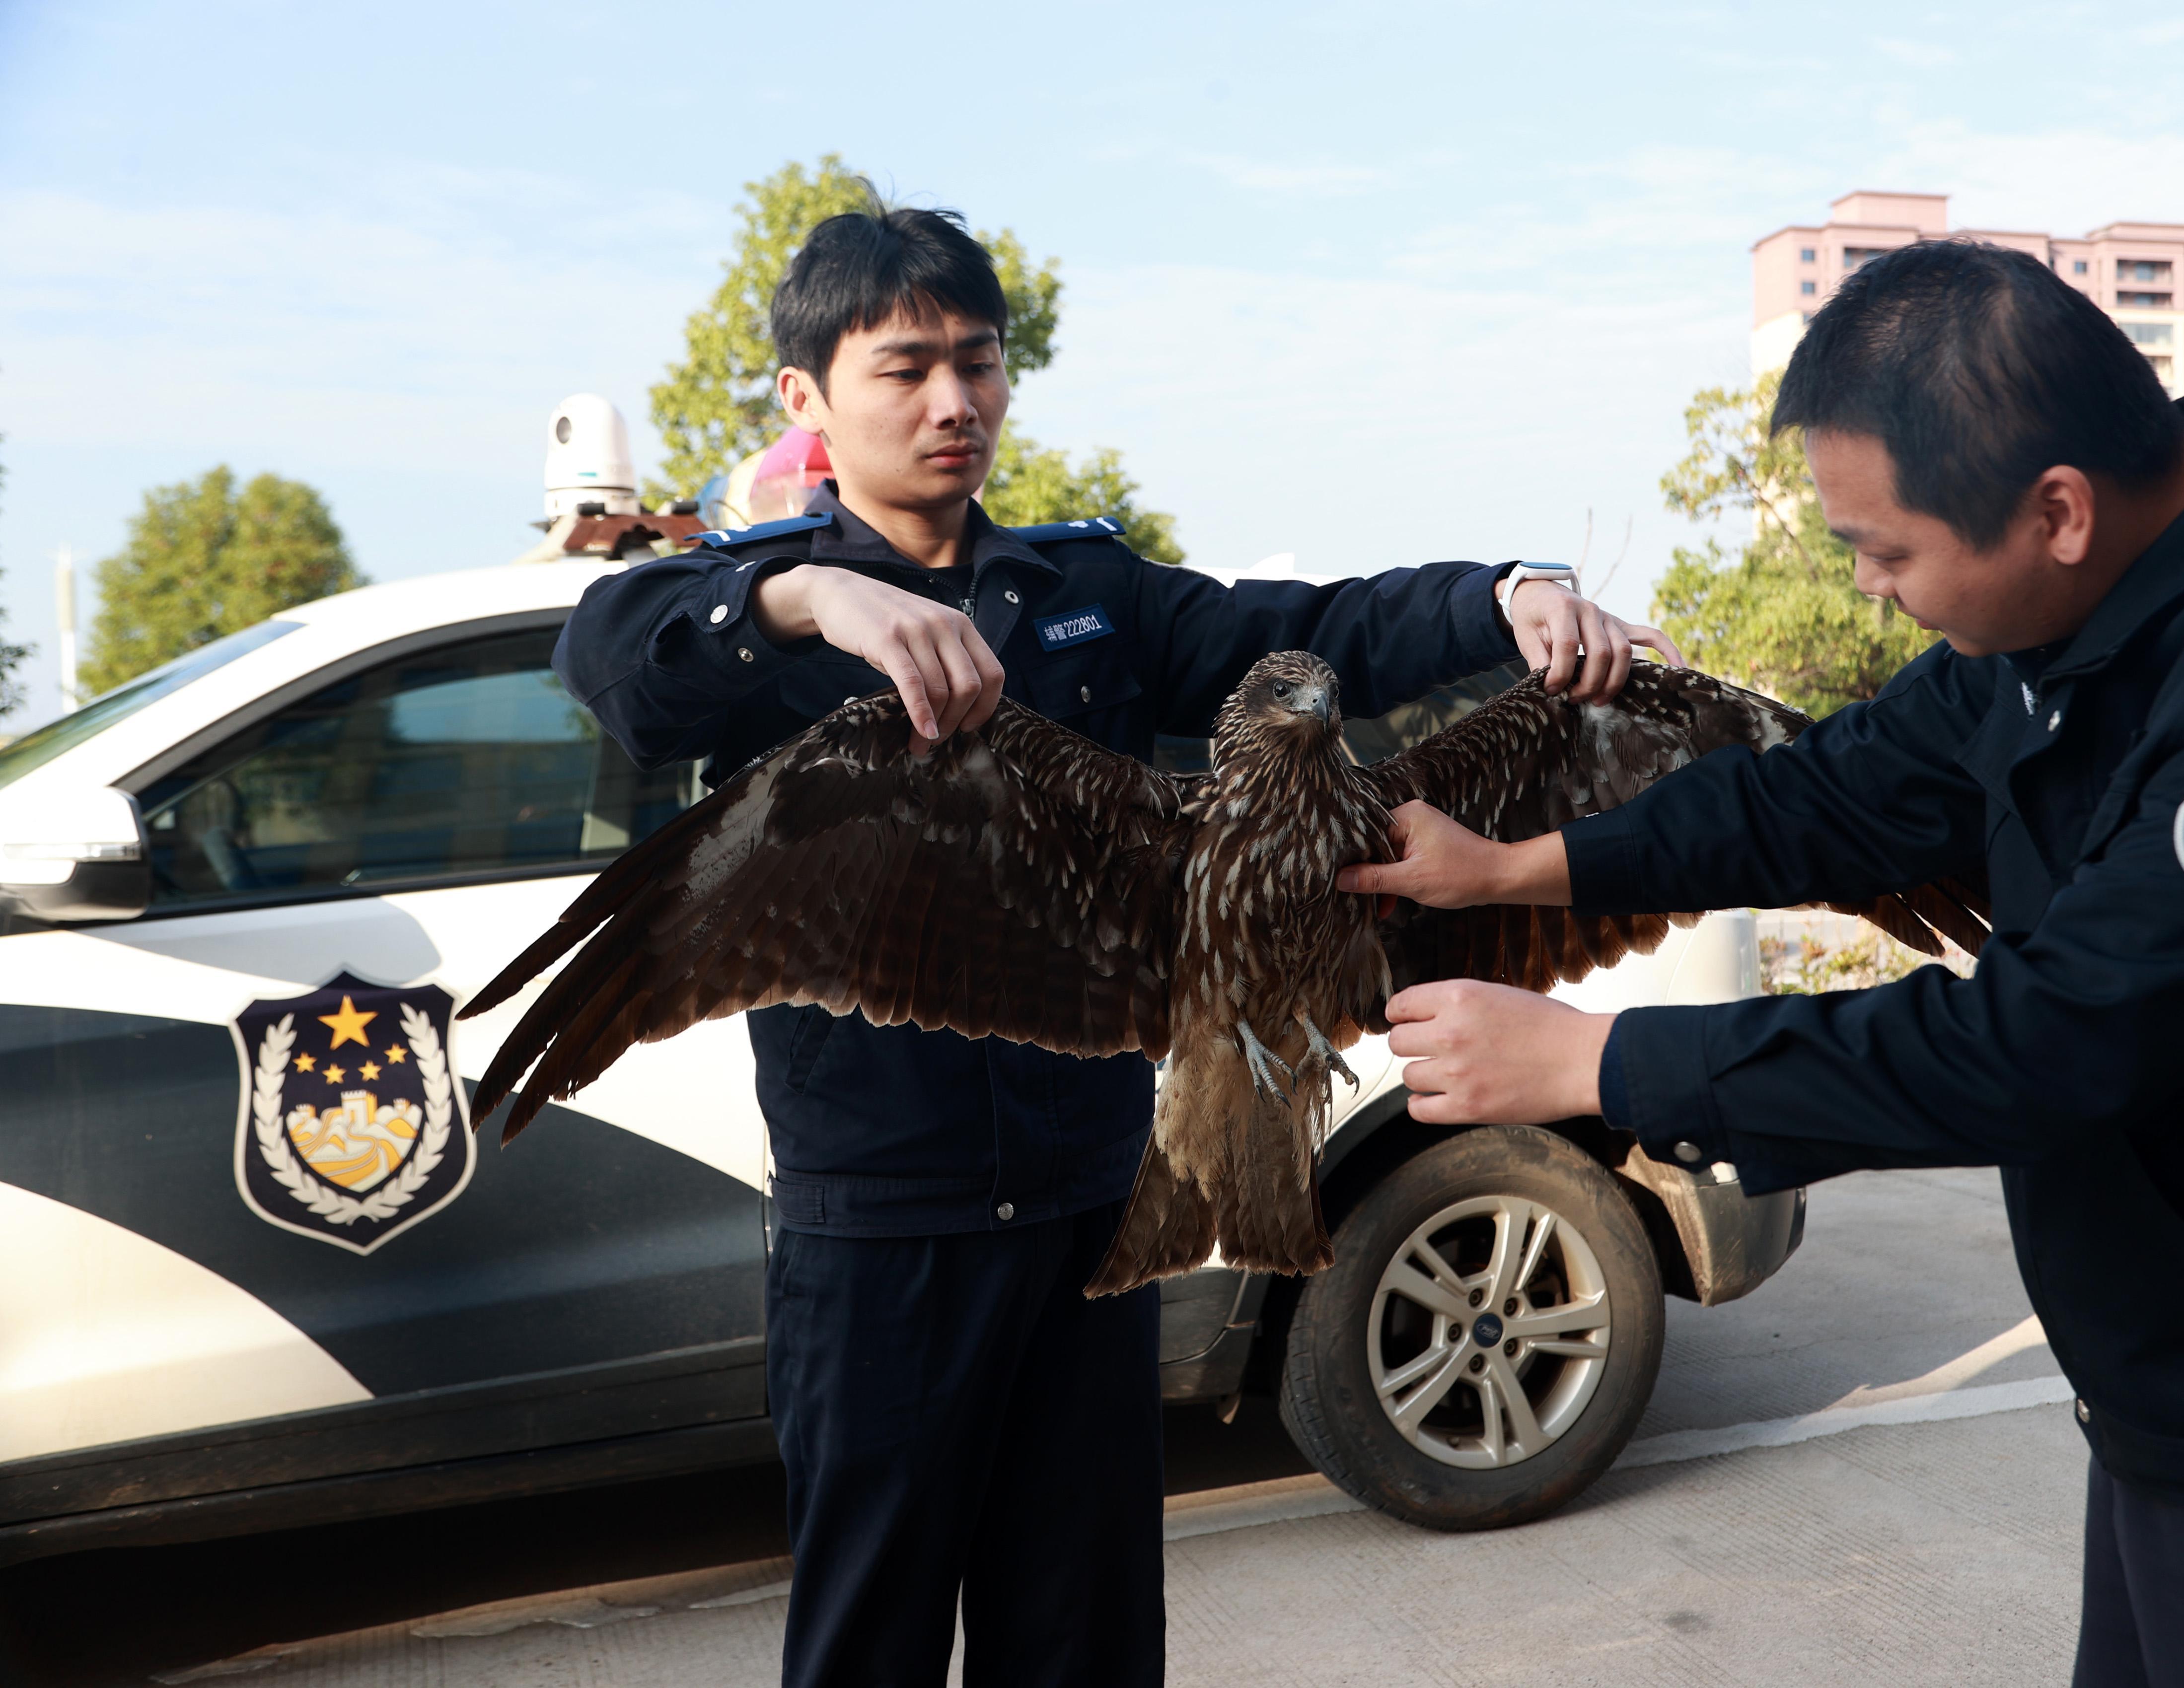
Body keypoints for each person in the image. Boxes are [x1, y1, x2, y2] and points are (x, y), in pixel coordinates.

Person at [1340, 240, 2184, 1684]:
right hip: (2182, 1414)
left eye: (1888, 553)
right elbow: (1837, 791)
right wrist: (1515, 868)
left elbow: (2056, 1037)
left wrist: (1600, 1060)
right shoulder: (2109, 577)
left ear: (2056, 512)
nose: (1868, 588)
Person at [552, 202, 1676, 1688]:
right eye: (905, 370)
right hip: (885, 1226)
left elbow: (1317, 624)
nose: (953, 402)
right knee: (872, 1638)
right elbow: (606, 658)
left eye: (978, 362)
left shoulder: (1084, 594)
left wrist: (1503, 595)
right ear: (805, 397)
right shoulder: (766, 612)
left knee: (1083, 1636)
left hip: (1091, 1205)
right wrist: (807, 597)